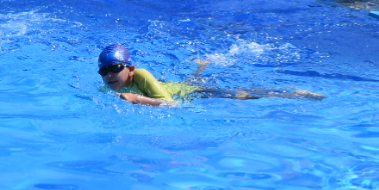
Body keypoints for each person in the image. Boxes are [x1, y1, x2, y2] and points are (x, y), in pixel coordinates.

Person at [98, 44, 321, 106]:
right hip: (178, 87)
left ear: (131, 69)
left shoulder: (142, 75)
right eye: (104, 71)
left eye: (115, 68)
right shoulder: (110, 88)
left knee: (240, 95)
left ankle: (291, 94)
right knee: (188, 82)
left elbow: (171, 104)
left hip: (194, 94)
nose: (110, 75)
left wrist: (138, 99)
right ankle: (202, 66)